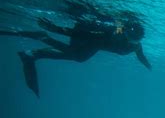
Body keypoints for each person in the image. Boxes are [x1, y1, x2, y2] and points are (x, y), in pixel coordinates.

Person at [0, 17, 152, 97]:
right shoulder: (112, 32)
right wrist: (55, 29)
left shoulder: (136, 44)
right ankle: (43, 38)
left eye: (137, 40)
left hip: (95, 44)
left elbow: (140, 55)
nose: (134, 43)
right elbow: (80, 33)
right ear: (125, 33)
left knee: (78, 57)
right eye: (132, 39)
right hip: (86, 34)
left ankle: (35, 51)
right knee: (77, 56)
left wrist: (147, 65)